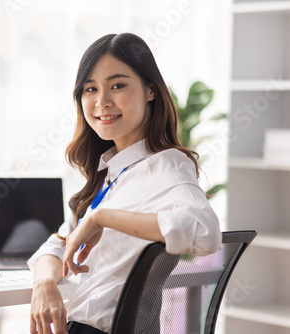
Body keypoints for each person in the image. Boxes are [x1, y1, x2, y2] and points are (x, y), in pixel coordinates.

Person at [27, 33, 222, 334]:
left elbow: (204, 231)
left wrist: (102, 218)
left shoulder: (165, 164)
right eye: (90, 89)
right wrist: (44, 283)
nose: (102, 101)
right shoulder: (112, 174)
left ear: (150, 91)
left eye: (117, 85)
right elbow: (55, 246)